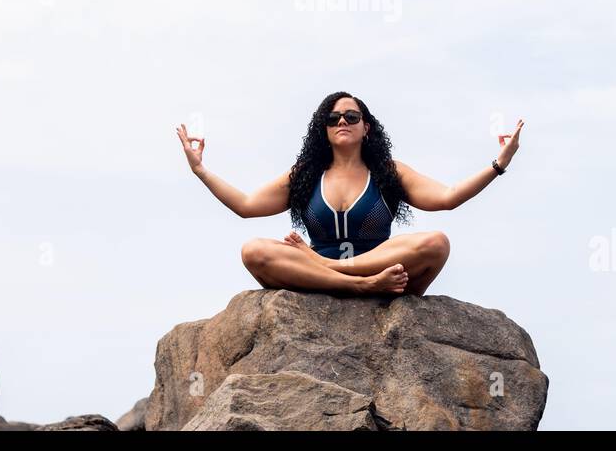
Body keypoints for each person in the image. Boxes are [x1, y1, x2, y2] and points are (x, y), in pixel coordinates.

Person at [176, 91, 524, 297]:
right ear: (323, 129)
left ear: (366, 127)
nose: (342, 122)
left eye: (351, 116)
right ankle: (357, 286)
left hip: (380, 267)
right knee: (253, 251)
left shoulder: (389, 171)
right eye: (333, 118)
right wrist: (200, 170)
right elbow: (246, 206)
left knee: (436, 243)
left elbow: (448, 198)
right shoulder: (306, 175)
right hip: (352, 281)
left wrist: (498, 163)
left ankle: (337, 271)